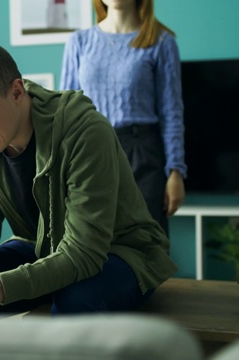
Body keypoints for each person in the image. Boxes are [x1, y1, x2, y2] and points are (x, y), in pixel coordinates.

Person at [0, 40, 177, 316]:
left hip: (120, 253)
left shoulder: (84, 131)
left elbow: (84, 252)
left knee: (75, 303)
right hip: (41, 248)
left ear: (17, 92)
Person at [60, 0, 187, 236]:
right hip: (91, 151)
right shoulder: (79, 42)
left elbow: (172, 112)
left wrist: (175, 172)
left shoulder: (161, 42)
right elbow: (66, 112)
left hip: (143, 152)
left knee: (148, 240)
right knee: (93, 238)